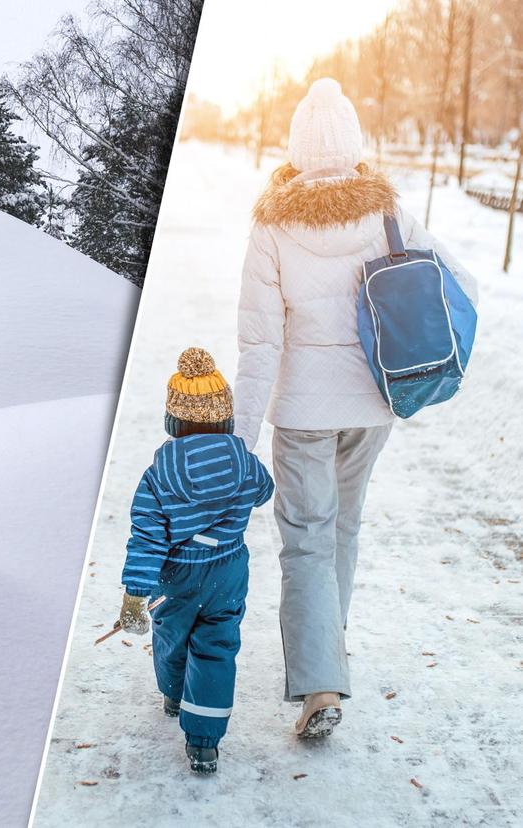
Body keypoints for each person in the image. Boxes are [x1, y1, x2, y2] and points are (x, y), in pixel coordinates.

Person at [233, 78, 479, 738]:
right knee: (342, 528)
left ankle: (320, 683)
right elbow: (463, 282)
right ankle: (326, 649)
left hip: (303, 412)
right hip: (374, 404)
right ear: (353, 145)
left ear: (297, 150)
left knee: (306, 542)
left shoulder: (272, 225)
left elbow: (259, 344)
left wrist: (239, 438)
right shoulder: (390, 211)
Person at [118, 347, 274, 774]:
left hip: (177, 575)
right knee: (217, 645)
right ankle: (204, 743)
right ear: (225, 416)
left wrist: (135, 593)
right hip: (228, 569)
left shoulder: (158, 475)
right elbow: (264, 490)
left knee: (172, 635)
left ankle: (173, 694)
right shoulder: (243, 460)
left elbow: (147, 538)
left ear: (173, 421)